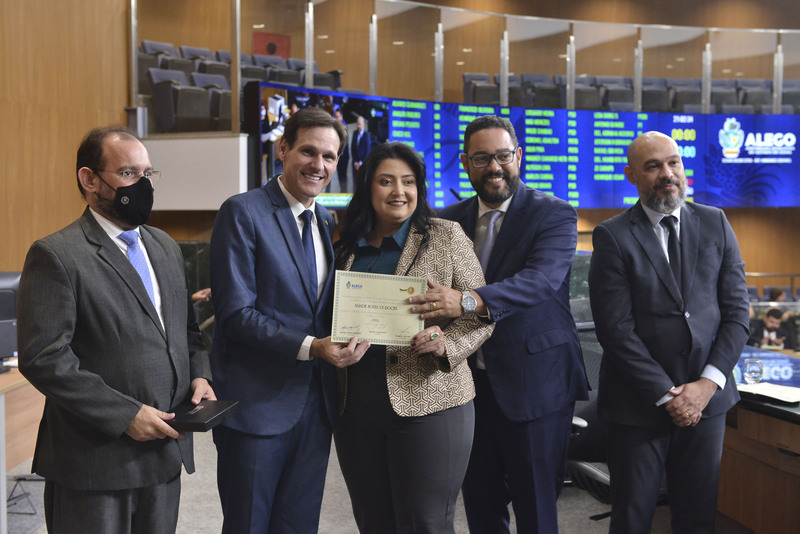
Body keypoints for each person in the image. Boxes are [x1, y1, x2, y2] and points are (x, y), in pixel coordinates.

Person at [17, 126, 215, 533]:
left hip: (165, 452)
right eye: (128, 173)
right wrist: (125, 414)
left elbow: (187, 331)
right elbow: (44, 358)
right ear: (89, 180)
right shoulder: (56, 254)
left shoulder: (164, 246)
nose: (142, 185)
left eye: (147, 174)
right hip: (95, 464)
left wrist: (200, 374)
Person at [409, 115, 589, 533]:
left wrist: (466, 301)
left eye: (503, 156)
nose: (494, 167)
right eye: (482, 158)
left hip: (536, 385)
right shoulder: (446, 221)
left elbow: (539, 281)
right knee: (481, 504)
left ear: (518, 156)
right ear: (465, 163)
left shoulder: (554, 214)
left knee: (536, 509)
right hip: (466, 388)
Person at [209, 107, 370, 534]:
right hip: (256, 408)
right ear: (283, 149)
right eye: (308, 151)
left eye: (329, 157)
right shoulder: (242, 212)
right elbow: (236, 315)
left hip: (315, 409)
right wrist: (313, 347)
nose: (319, 165)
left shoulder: (325, 220)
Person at [588, 131, 750, 533]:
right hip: (638, 407)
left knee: (697, 518)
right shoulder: (612, 235)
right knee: (632, 519)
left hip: (707, 403)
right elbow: (615, 330)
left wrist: (706, 386)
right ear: (631, 175)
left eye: (673, 162)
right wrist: (669, 395)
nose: (667, 173)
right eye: (653, 166)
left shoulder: (715, 222)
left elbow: (736, 314)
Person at [334, 141, 494, 533]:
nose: (398, 191)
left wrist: (447, 344)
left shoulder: (445, 235)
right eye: (386, 181)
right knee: (373, 521)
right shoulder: (345, 244)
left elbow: (483, 314)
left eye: (408, 182)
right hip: (355, 405)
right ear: (368, 187)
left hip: (431, 400)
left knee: (425, 523)